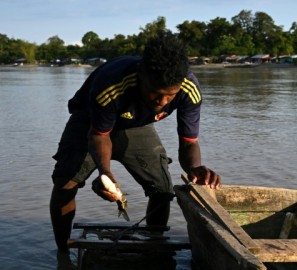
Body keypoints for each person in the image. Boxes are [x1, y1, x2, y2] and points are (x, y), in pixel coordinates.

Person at [49, 31, 221, 252]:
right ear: (141, 75)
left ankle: (155, 247)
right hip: (90, 122)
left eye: (170, 95)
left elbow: (188, 142)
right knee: (65, 184)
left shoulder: (189, 90)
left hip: (135, 124)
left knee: (162, 190)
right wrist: (105, 172)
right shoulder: (111, 85)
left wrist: (195, 168)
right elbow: (100, 135)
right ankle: (62, 251)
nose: (162, 102)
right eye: (155, 93)